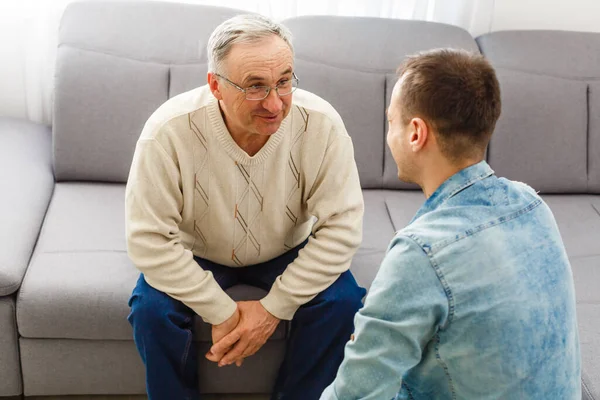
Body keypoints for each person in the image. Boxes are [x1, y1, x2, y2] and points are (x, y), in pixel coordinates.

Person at [125, 14, 366, 400]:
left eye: (284, 81)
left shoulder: (321, 124)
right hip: (198, 251)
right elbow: (148, 241)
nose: (275, 103)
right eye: (256, 87)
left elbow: (343, 227)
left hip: (287, 248)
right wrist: (222, 311)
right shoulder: (167, 131)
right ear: (215, 86)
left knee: (343, 303)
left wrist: (272, 309)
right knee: (151, 311)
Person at [321, 48, 581, 400]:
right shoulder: (532, 204)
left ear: (416, 133)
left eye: (390, 121)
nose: (388, 133)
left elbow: (353, 395)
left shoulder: (421, 252)